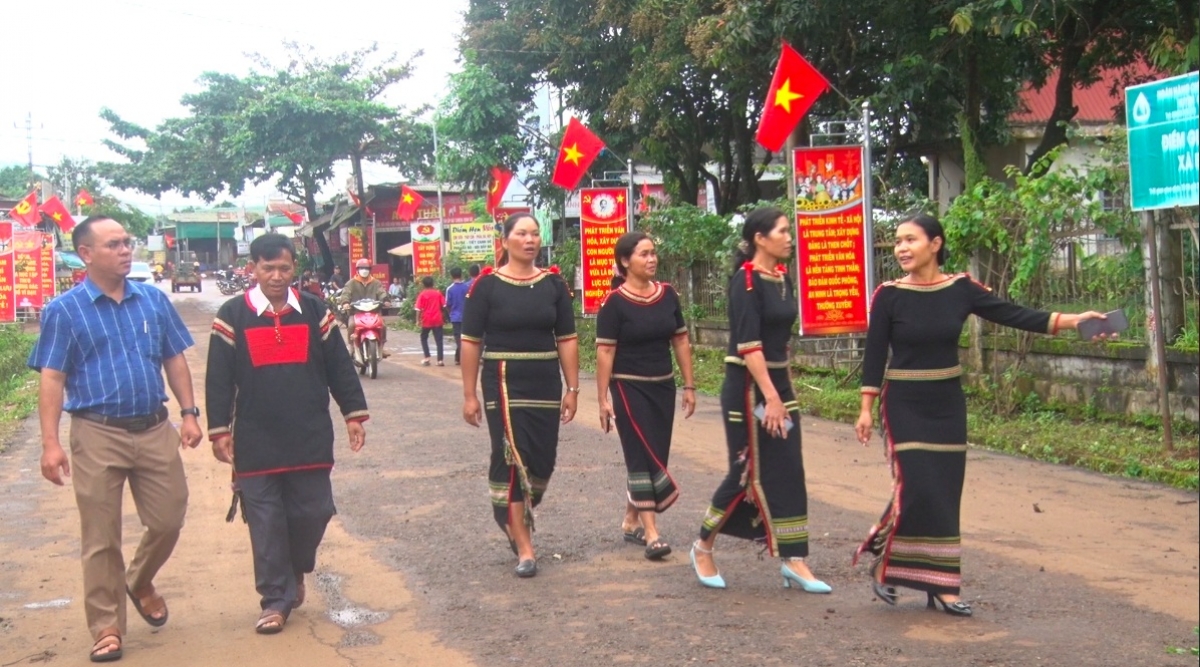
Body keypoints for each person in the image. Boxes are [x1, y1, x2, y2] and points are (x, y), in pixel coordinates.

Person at [853, 213, 1108, 616]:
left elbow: (1016, 314)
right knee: (917, 485)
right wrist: (865, 409)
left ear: (935, 244)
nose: (901, 248)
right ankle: (887, 564)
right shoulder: (888, 295)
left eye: (910, 240)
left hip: (947, 404)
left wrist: (1076, 320)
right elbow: (873, 354)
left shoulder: (961, 289)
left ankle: (942, 587)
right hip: (903, 402)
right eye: (897, 241)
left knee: (944, 491)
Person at [27, 215, 203, 663]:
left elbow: (174, 358)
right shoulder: (64, 310)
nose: (125, 250)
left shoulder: (153, 300)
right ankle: (107, 626)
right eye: (113, 244)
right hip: (96, 431)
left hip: (152, 427)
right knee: (101, 536)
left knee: (169, 518)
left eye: (127, 242)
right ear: (86, 254)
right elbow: (52, 377)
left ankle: (140, 579)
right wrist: (51, 443)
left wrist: (188, 413)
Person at [205, 233, 370, 635]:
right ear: (253, 270)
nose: (276, 276)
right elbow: (218, 379)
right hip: (255, 438)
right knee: (264, 521)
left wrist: (353, 414)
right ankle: (275, 600)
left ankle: (297, 567)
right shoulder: (232, 315)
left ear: (294, 268)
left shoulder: (315, 311)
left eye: (283, 268)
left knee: (312, 511)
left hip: (309, 434)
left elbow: (340, 367)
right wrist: (219, 430)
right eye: (267, 268)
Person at [690, 207, 831, 594]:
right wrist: (770, 398)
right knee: (746, 472)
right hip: (748, 389)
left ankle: (794, 560)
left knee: (787, 467)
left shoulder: (782, 278)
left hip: (778, 386)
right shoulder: (746, 281)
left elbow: (778, 343)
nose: (790, 237)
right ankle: (703, 547)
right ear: (759, 238)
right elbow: (750, 346)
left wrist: (784, 391)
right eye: (783, 231)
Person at [460, 213, 579, 578]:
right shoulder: (487, 286)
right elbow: (470, 342)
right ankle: (525, 549)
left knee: (541, 460)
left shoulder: (554, 285)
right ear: (506, 240)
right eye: (522, 233)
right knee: (511, 455)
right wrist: (469, 394)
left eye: (534, 234)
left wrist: (573, 388)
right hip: (502, 379)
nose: (530, 240)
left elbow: (567, 339)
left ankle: (512, 515)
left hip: (545, 380)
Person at [596, 232, 696, 560]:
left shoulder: (667, 295)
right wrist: (602, 399)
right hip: (627, 386)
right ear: (625, 262)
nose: (651, 259)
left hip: (663, 386)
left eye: (653, 253)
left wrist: (690, 385)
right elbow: (605, 354)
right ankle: (652, 533)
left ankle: (630, 519)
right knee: (642, 454)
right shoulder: (613, 304)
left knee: (656, 454)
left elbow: (680, 341)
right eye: (644, 254)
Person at [339, 258, 391, 358]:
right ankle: (352, 346)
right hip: (356, 313)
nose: (364, 270)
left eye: (367, 268)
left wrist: (385, 300)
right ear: (357, 270)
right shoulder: (351, 283)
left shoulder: (376, 283)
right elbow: (345, 294)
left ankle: (381, 346)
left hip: (373, 312)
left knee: (383, 326)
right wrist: (345, 303)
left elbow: (381, 292)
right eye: (362, 268)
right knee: (351, 326)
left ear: (370, 270)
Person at [415, 276, 446, 366]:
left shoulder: (422, 294)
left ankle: (427, 357)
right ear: (433, 283)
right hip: (437, 318)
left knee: (424, 338)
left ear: (424, 285)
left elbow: (418, 309)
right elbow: (444, 306)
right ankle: (440, 360)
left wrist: (417, 320)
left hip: (426, 319)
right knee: (439, 340)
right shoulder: (438, 293)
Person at [444, 267, 470, 365]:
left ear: (451, 276)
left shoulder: (450, 289)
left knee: (458, 338)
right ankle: (459, 357)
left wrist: (451, 313)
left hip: (455, 317)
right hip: (466, 316)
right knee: (465, 337)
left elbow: (447, 305)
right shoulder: (467, 287)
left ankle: (460, 357)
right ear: (461, 275)